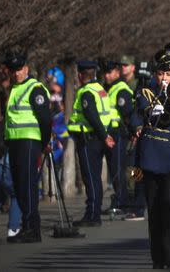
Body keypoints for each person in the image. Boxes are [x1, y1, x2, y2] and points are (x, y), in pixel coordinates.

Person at [131, 52, 170, 269]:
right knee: (154, 207)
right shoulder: (146, 92)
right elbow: (135, 115)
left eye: (168, 74)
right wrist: (137, 125)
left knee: (169, 204)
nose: (163, 78)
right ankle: (158, 257)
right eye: (160, 74)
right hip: (150, 155)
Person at [2, 52, 51, 243]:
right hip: (16, 143)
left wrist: (45, 142)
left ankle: (32, 228)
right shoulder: (15, 88)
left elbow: (45, 119)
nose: (16, 74)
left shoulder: (35, 88)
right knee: (20, 186)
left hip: (29, 142)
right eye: (13, 70)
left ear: (26, 69)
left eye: (19, 70)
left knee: (27, 185)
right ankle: (28, 225)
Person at [68, 60, 114, 227]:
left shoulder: (87, 92)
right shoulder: (100, 89)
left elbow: (91, 115)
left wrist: (103, 136)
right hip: (97, 139)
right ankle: (94, 213)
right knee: (95, 178)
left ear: (80, 75)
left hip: (89, 139)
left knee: (91, 178)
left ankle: (92, 215)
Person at [101, 58, 134, 217]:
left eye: (109, 72)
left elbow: (127, 114)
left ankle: (123, 202)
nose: (106, 75)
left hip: (119, 133)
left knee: (118, 169)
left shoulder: (121, 89)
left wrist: (130, 132)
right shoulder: (109, 88)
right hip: (111, 133)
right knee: (115, 168)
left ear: (116, 72)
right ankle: (119, 200)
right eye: (105, 73)